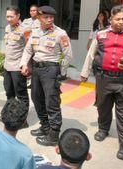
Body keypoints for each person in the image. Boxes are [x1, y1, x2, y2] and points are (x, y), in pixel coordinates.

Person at [80, 4, 123, 161]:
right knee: (103, 107)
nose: (121, 22)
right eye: (117, 19)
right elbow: (91, 53)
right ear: (111, 19)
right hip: (103, 79)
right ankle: (103, 129)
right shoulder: (101, 35)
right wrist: (84, 72)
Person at [20, 6, 73, 146]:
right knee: (36, 99)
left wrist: (61, 72)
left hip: (51, 70)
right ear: (39, 18)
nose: (49, 20)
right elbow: (28, 50)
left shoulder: (60, 33)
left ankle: (54, 136)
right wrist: (24, 64)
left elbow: (68, 55)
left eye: (51, 17)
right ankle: (45, 127)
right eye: (46, 17)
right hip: (36, 69)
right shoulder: (35, 32)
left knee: (52, 103)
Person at [0, 6, 29, 121]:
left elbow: (29, 49)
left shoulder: (25, 29)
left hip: (18, 67)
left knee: (21, 95)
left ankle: (22, 120)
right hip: (7, 66)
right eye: (7, 16)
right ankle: (9, 115)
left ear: (18, 16)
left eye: (11, 16)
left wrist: (26, 65)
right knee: (9, 92)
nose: (9, 19)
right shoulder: (7, 28)